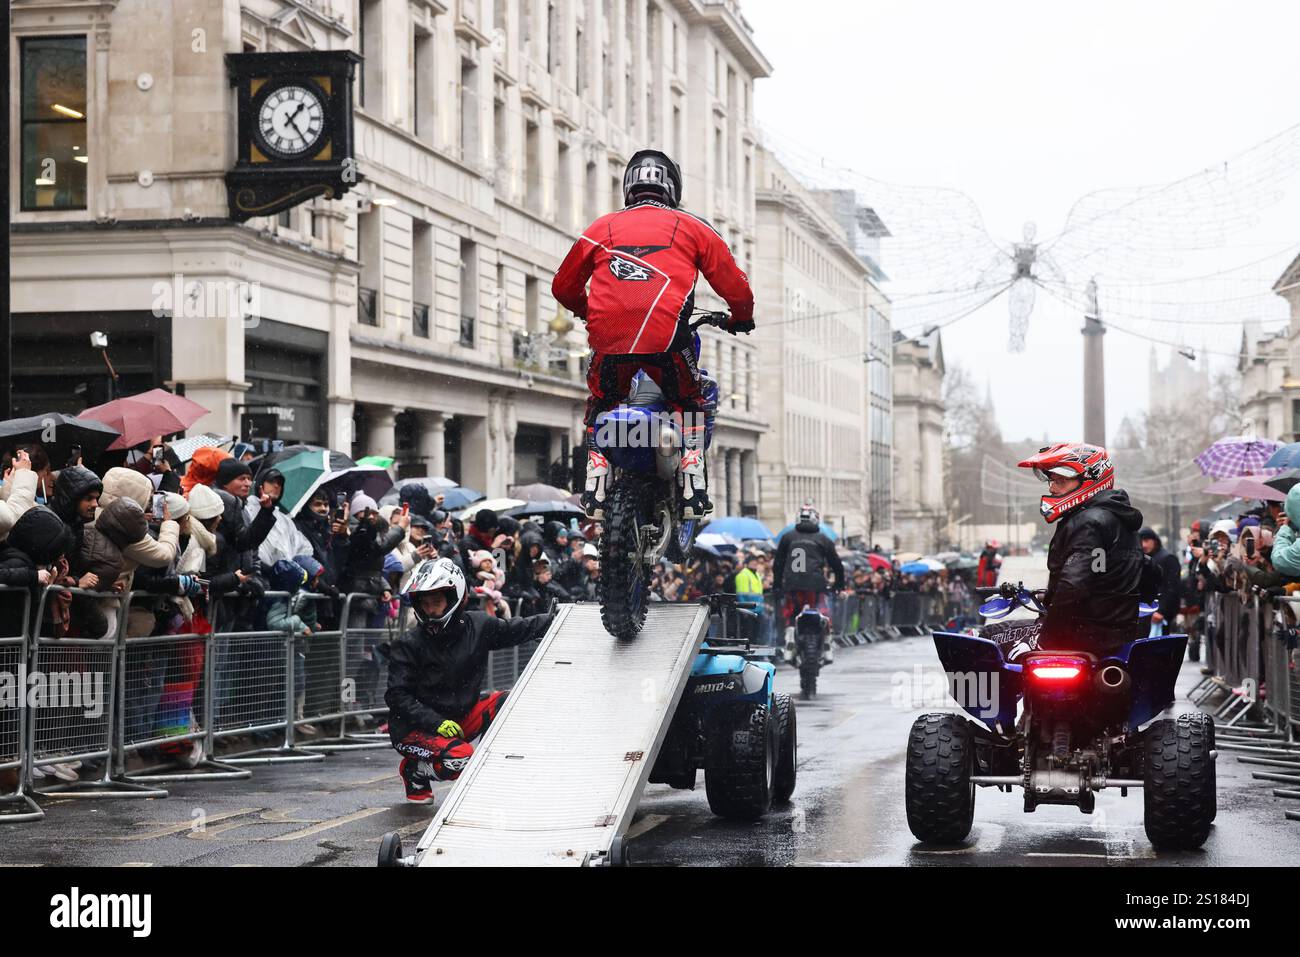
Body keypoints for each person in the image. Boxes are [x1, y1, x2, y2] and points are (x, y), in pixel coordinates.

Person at [552, 149, 755, 520]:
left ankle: (595, 480)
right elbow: (734, 284)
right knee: (690, 401)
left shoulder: (599, 228)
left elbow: (563, 287)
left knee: (602, 402)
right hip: (667, 341)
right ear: (672, 189)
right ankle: (693, 481)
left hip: (610, 341)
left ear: (628, 186)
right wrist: (741, 317)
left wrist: (589, 313)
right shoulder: (692, 227)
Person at [385, 558, 556, 803]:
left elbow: (515, 629)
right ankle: (414, 771)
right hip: (414, 728)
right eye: (425, 603)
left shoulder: (478, 625)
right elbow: (397, 696)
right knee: (461, 758)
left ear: (454, 597)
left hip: (458, 717)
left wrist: (555, 620)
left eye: (436, 602)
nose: (430, 609)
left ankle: (489, 765)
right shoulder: (407, 644)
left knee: (510, 701)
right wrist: (436, 723)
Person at [1017, 442, 1143, 653]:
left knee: (982, 640)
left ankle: (969, 687)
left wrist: (1045, 641)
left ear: (1090, 480)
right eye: (1051, 480)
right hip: (1116, 638)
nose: (1052, 487)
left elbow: (1074, 586)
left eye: (1061, 480)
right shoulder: (1119, 519)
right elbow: (1104, 570)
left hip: (1078, 637)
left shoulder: (1088, 522)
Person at [772, 504, 843, 627]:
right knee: (821, 610)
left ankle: (790, 633)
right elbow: (837, 565)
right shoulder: (823, 539)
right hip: (815, 583)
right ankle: (825, 635)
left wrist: (777, 584)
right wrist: (839, 584)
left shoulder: (787, 537)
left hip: (792, 583)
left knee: (792, 611)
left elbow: (778, 563)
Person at [1138, 527, 1182, 636]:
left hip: (1161, 612)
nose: (1144, 545)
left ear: (1155, 541)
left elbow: (1171, 587)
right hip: (1147, 612)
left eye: (1147, 541)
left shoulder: (1167, 559)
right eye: (1141, 541)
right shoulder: (1144, 559)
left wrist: (1161, 611)